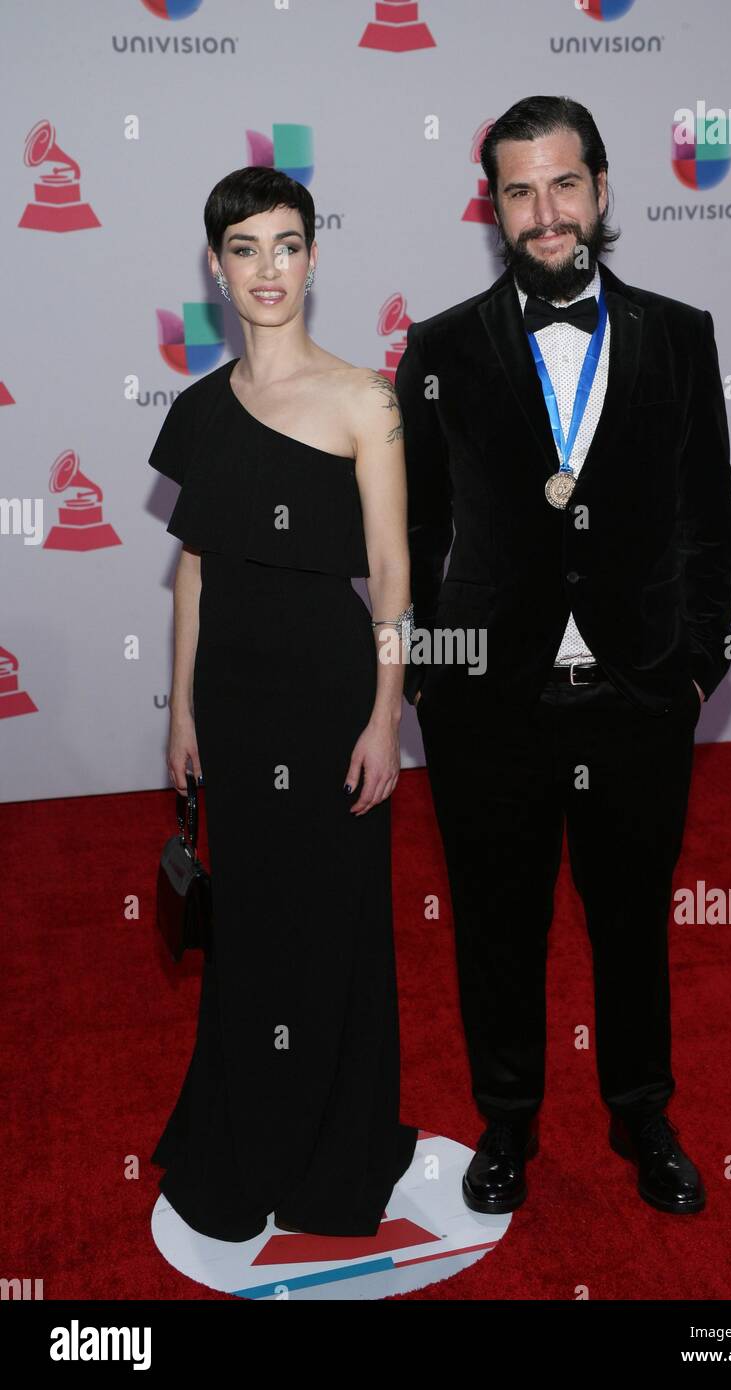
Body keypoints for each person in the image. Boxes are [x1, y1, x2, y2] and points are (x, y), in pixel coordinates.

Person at [395, 96, 731, 1217]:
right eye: (516, 191)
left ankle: (642, 1112)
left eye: (560, 184)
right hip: (490, 708)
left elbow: (707, 519)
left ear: (598, 188)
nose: (542, 213)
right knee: (497, 927)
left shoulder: (679, 334)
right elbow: (414, 532)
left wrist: (691, 665)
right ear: (490, 208)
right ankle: (506, 1125)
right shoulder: (439, 348)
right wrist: (439, 683)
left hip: (637, 695)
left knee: (632, 921)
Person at [148, 166, 417, 1242]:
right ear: (216, 267)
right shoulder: (199, 410)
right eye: (246, 247)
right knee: (251, 922)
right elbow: (195, 575)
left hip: (330, 693)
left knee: (335, 922)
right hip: (234, 700)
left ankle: (330, 1148)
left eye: (288, 243)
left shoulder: (367, 399)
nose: (268, 267)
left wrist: (385, 714)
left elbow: (394, 572)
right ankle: (241, 1133)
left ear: (314, 256)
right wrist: (180, 714)